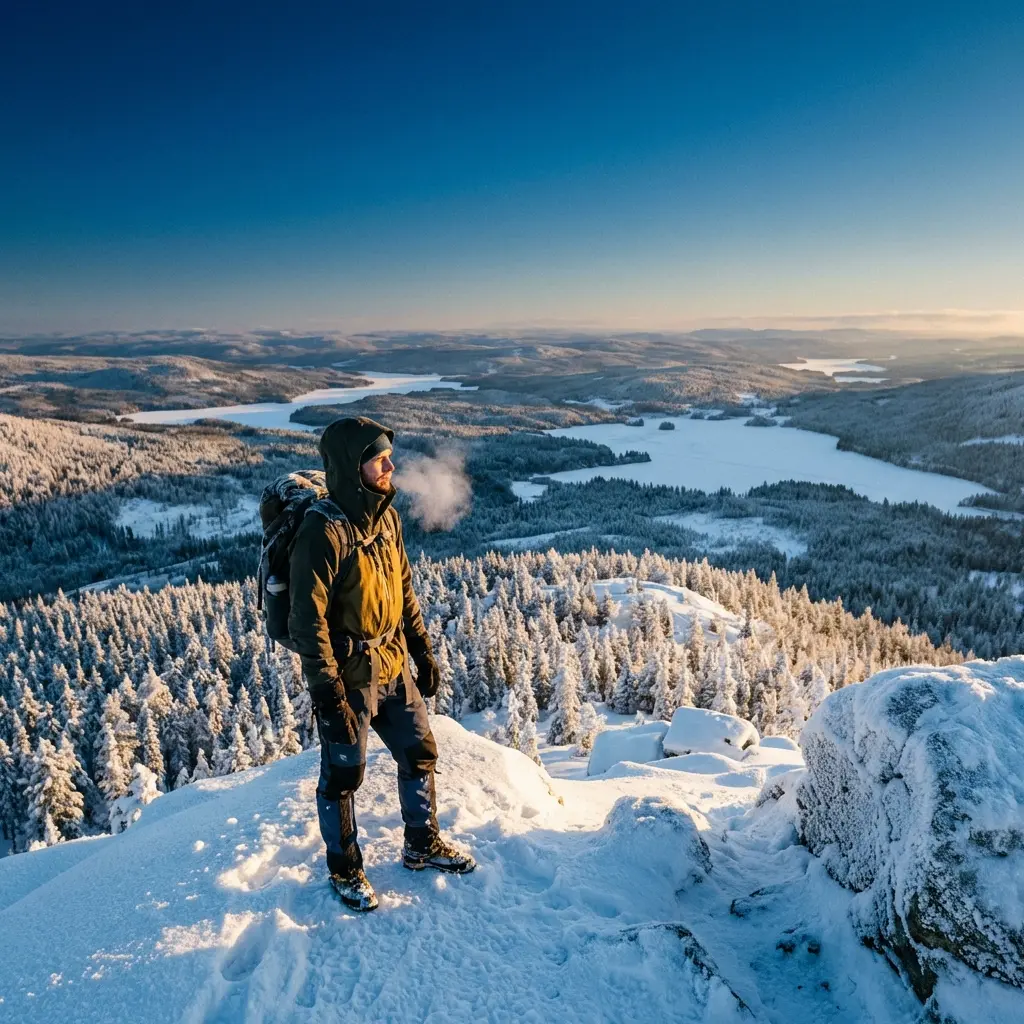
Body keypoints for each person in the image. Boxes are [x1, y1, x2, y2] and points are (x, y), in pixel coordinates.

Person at [288, 415, 475, 911]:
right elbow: (309, 625)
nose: (391, 465)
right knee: (343, 776)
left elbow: (404, 589)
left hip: (393, 665)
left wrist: (422, 650)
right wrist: (327, 695)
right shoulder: (322, 533)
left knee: (420, 753)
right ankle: (345, 869)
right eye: (379, 458)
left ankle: (421, 843)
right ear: (354, 467)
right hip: (348, 678)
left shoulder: (386, 517)